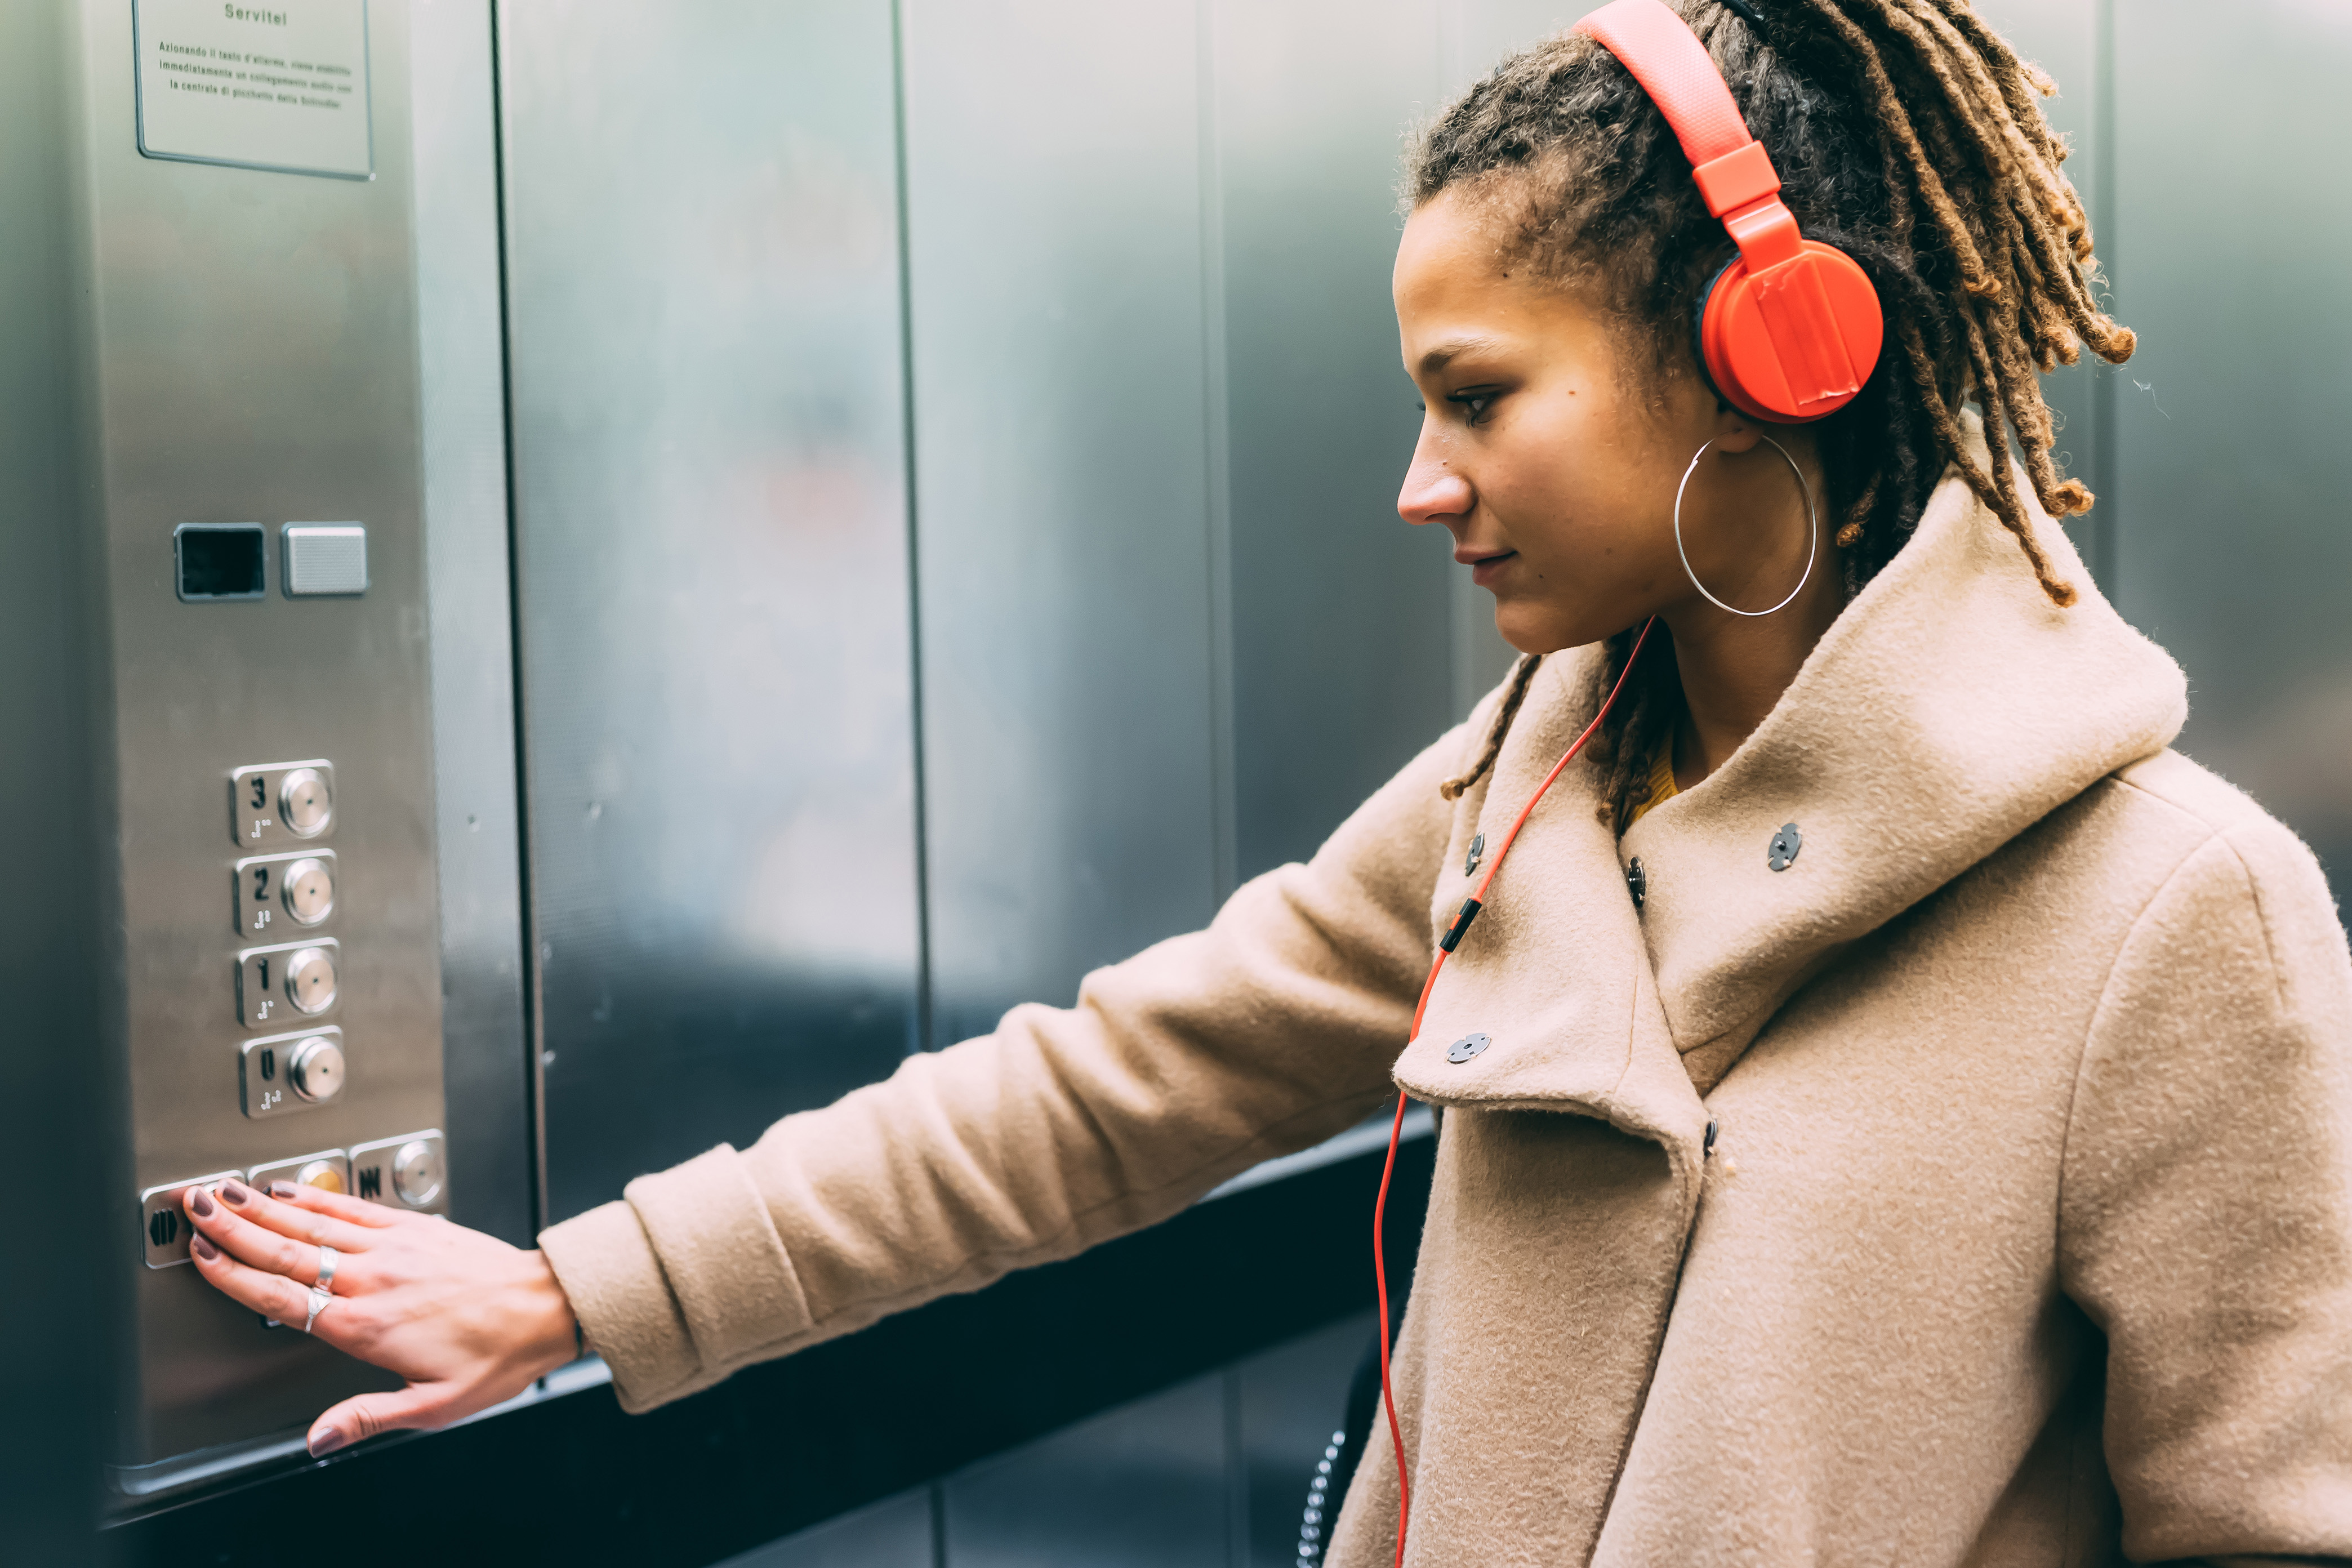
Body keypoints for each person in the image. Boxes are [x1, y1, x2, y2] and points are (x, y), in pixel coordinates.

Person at [179, 1, 2352, 1561]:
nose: (1424, 485)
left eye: (1479, 398)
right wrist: (577, 1290)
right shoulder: (1530, 787)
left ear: (1768, 353)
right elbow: (1103, 1091)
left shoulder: (2172, 910)